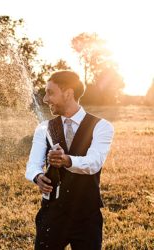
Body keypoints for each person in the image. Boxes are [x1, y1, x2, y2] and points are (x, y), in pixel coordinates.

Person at [25, 70, 114, 249]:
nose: (45, 99)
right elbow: (32, 165)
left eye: (50, 92)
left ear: (68, 94)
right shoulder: (44, 128)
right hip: (52, 214)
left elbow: (94, 162)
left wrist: (67, 160)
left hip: (86, 216)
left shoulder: (102, 126)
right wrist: (37, 177)